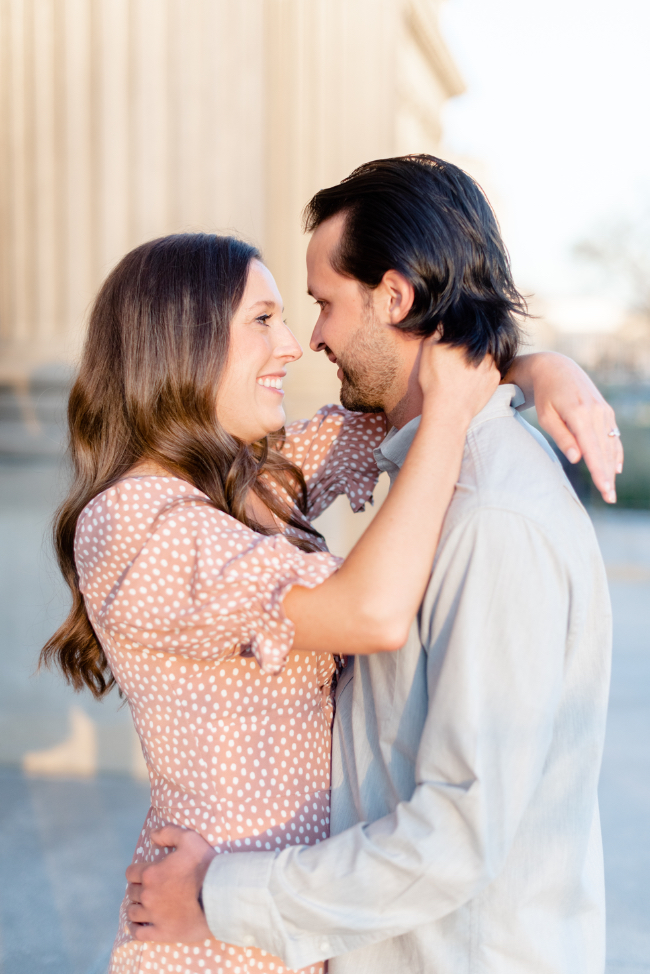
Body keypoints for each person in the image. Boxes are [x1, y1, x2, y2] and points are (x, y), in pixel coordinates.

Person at [126, 157, 616, 974]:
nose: (310, 338)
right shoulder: (431, 470)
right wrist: (532, 367)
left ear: (395, 298)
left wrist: (219, 896)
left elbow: (457, 833)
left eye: (322, 303)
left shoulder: (490, 515)